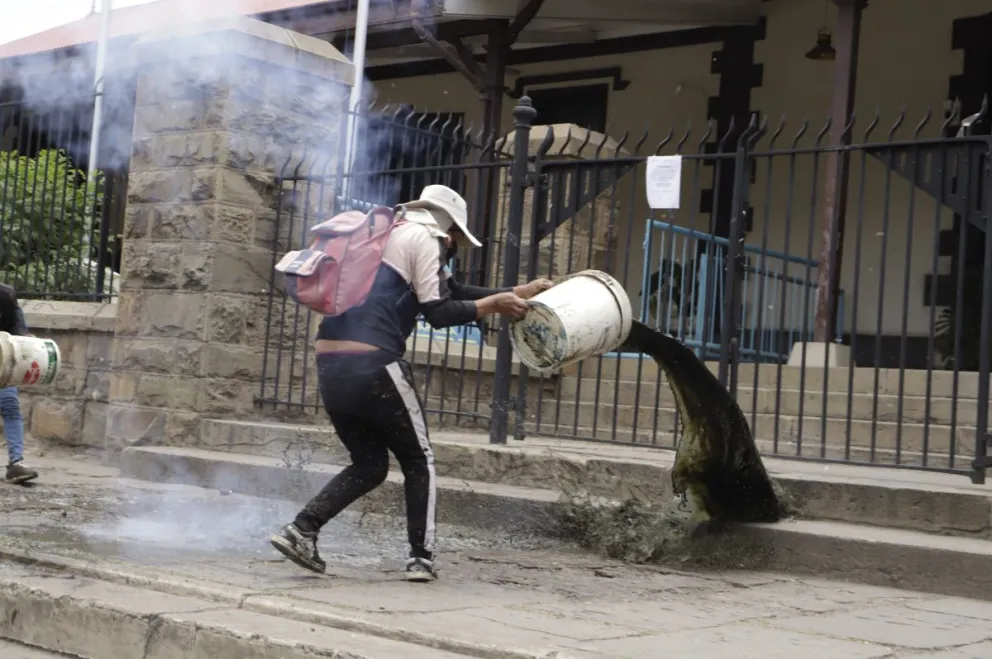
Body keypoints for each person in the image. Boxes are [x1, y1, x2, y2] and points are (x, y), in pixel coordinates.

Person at [269, 184, 553, 582]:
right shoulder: (426, 237)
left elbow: (449, 291)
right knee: (419, 460)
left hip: (330, 361)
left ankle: (302, 529)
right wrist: (496, 306)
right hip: (375, 362)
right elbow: (438, 311)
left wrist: (513, 293)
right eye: (456, 239)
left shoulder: (387, 233)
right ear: (448, 227)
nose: (454, 247)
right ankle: (421, 558)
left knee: (369, 464)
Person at [0, 284, 39, 485]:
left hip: (2, 362)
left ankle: (16, 463)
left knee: (10, 407)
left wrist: (26, 339)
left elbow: (18, 328)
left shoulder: (5, 295)